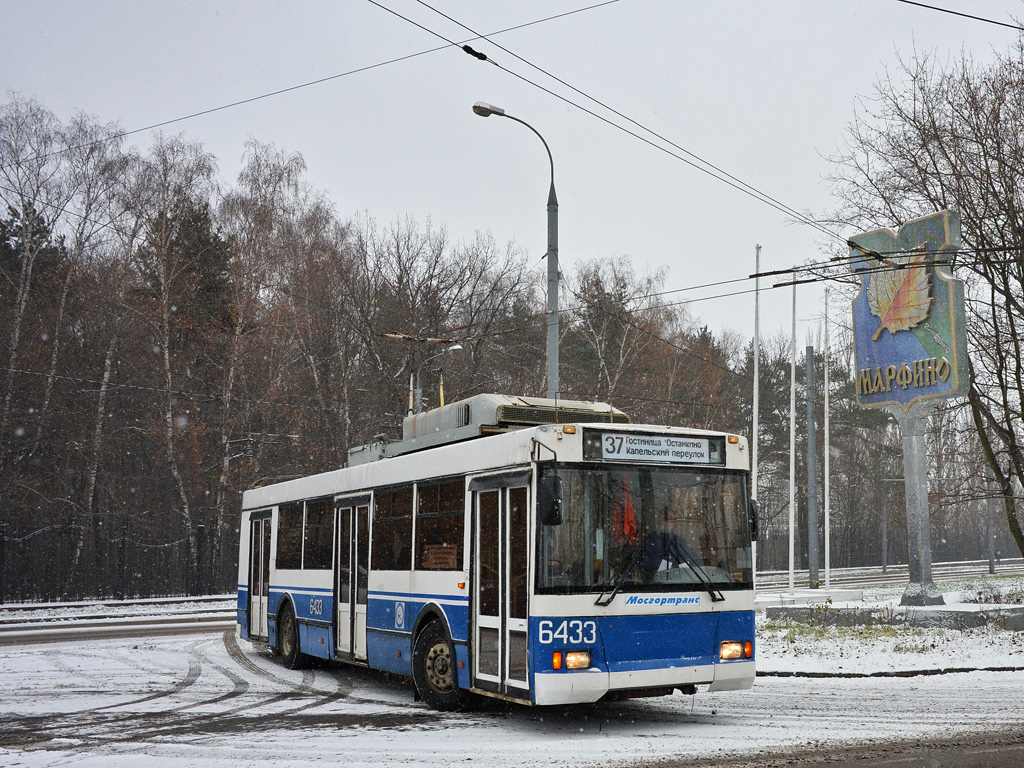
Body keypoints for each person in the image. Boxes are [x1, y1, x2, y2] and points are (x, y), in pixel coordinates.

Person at [639, 513, 702, 581]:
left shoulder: (679, 541)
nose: (667, 522)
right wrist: (663, 564)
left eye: (671, 519)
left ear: (674, 523)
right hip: (653, 585)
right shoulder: (650, 540)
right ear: (659, 522)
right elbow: (641, 560)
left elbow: (692, 558)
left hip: (679, 583)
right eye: (665, 519)